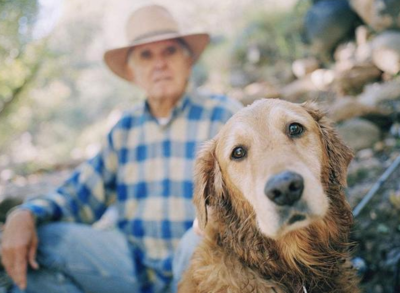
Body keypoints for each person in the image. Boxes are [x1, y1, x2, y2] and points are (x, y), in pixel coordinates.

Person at [0, 4, 242, 293]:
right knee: (44, 243)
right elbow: (80, 196)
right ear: (132, 71)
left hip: (202, 263)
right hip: (131, 269)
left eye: (169, 51)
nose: (159, 63)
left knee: (197, 237)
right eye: (146, 55)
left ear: (188, 60)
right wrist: (24, 214)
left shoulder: (224, 116)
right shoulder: (124, 129)